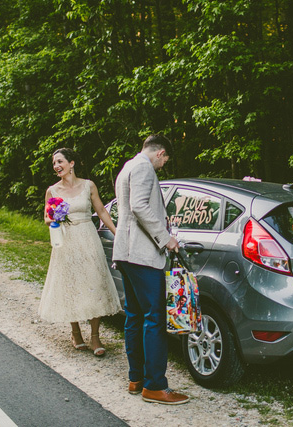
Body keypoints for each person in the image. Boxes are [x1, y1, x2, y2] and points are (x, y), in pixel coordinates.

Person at [113, 134, 190, 405]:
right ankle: (155, 386)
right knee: (154, 318)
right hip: (142, 255)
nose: (163, 164)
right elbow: (139, 206)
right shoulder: (145, 167)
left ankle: (137, 379)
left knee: (134, 316)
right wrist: (165, 237)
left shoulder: (128, 166)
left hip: (125, 251)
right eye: (165, 160)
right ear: (160, 153)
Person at [38, 148, 121, 356]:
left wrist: (117, 233)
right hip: (66, 241)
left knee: (94, 283)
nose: (56, 166)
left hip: (88, 238)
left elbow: (101, 211)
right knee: (71, 284)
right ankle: (75, 332)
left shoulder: (88, 185)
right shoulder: (52, 191)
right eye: (54, 163)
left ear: (71, 163)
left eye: (60, 162)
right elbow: (47, 218)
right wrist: (56, 216)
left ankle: (95, 337)